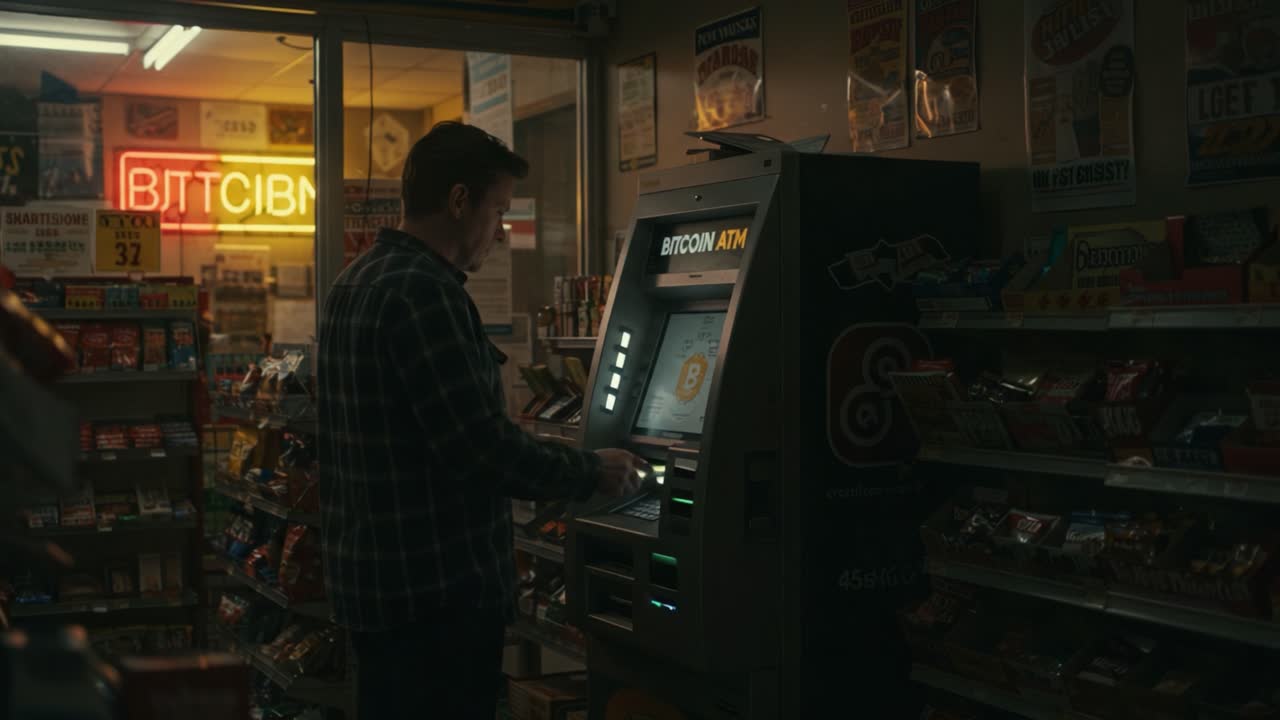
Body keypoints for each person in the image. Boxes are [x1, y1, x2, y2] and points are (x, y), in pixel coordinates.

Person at [318, 122, 649, 718]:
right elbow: (479, 450)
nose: (500, 231)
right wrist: (591, 471)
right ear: (459, 200)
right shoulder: (425, 293)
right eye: (498, 211)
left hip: (375, 585)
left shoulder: (355, 281)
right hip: (437, 597)